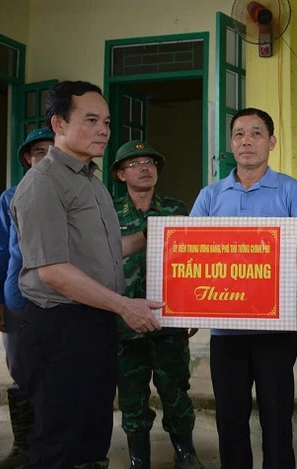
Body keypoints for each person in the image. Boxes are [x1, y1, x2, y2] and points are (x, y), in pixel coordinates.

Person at [10, 80, 162, 468]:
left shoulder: (90, 181)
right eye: (91, 120)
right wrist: (125, 306)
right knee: (58, 442)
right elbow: (53, 271)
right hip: (59, 326)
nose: (104, 130)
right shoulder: (43, 184)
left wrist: (157, 236)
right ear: (59, 124)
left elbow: (107, 250)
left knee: (91, 437)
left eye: (107, 122)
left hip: (95, 322)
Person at [190, 107, 297, 468]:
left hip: (275, 328)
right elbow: (187, 252)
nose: (247, 141)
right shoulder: (211, 196)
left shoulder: (291, 190)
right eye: (239, 134)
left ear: (272, 141)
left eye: (256, 133)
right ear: (231, 144)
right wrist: (187, 308)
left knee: (277, 416)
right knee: (230, 418)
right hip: (225, 328)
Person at [110, 140, 203, 469]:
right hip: (123, 323)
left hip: (169, 319)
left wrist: (192, 307)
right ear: (121, 174)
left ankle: (185, 453)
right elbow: (97, 257)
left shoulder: (177, 209)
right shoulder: (106, 211)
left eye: (149, 161)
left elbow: (193, 260)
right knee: (132, 396)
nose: (144, 167)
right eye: (134, 164)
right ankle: (139, 458)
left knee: (175, 389)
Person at [0, 127, 53, 469]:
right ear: (27, 158)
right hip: (18, 299)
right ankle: (23, 447)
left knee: (59, 374)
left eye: (50, 150)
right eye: (37, 152)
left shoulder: (71, 194)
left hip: (62, 297)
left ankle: (54, 447)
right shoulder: (9, 197)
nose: (44, 157)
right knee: (23, 373)